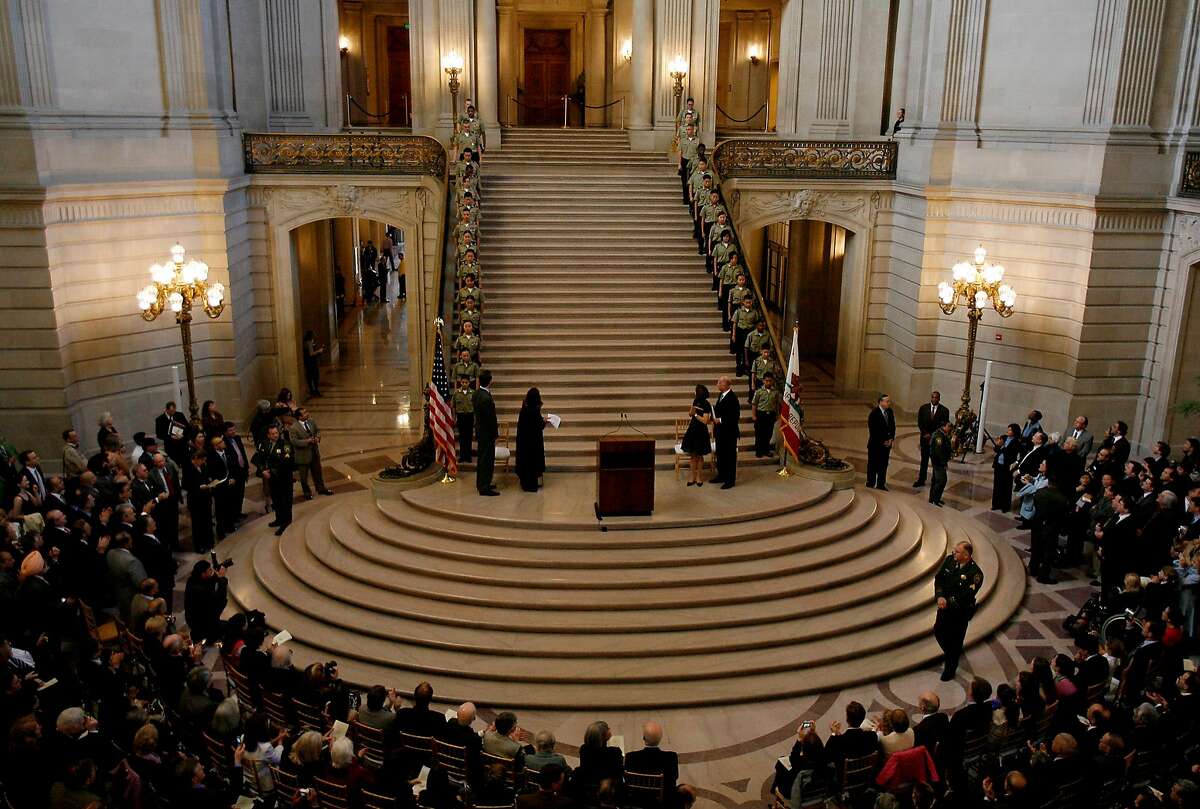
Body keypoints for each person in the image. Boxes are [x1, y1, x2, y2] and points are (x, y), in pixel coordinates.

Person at [934, 540, 983, 681]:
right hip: (944, 607)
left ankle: (950, 667)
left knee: (956, 640)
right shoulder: (950, 561)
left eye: (957, 552)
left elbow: (966, 595)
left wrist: (947, 602)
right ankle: (952, 655)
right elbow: (940, 578)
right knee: (938, 631)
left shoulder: (975, 574)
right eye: (954, 551)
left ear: (967, 555)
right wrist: (940, 596)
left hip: (960, 612)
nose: (953, 553)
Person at [257, 424, 295, 535]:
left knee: (285, 500)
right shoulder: (265, 444)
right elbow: (259, 458)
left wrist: (271, 471)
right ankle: (278, 518)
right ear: (268, 435)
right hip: (272, 479)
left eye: (276, 433)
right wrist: (262, 470)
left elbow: (286, 461)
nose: (275, 435)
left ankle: (286, 521)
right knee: (276, 499)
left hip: (284, 478)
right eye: (272, 434)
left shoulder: (285, 444)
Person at [289, 406, 333, 500]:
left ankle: (321, 488)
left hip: (314, 453)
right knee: (304, 477)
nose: (307, 413)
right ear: (299, 417)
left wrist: (317, 437)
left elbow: (317, 431)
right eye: (304, 413)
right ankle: (307, 493)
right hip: (303, 455)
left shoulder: (311, 421)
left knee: (317, 472)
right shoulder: (294, 428)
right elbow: (294, 442)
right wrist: (307, 441)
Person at [183, 560, 228, 646]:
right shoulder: (200, 590)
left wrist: (216, 576)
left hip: (196, 615)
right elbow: (218, 597)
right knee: (210, 630)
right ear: (203, 574)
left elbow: (208, 583)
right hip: (201, 619)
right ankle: (207, 641)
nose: (212, 571)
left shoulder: (192, 579)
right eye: (210, 570)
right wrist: (222, 578)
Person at [914, 391, 950, 487]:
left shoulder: (944, 411)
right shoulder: (923, 408)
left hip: (936, 441)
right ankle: (921, 480)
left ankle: (935, 481)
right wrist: (925, 433)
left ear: (939, 399)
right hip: (925, 439)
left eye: (936, 397)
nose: (934, 399)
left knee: (936, 461)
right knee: (924, 461)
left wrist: (934, 436)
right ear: (931, 398)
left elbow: (943, 425)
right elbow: (920, 422)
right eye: (933, 397)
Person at [515, 388, 548, 493]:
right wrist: (544, 421)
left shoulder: (524, 408)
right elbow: (538, 425)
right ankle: (531, 485)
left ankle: (524, 482)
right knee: (532, 463)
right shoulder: (534, 410)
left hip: (523, 442)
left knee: (525, 462)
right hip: (533, 443)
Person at [711, 376, 740, 490]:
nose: (717, 384)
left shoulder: (733, 398)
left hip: (729, 432)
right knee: (721, 454)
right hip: (720, 431)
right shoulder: (721, 395)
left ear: (726, 385)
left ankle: (730, 480)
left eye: (719, 383)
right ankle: (721, 475)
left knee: (729, 456)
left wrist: (721, 420)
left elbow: (735, 416)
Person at [681, 384, 713, 487]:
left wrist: (695, 414)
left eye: (695, 391)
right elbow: (691, 413)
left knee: (699, 455)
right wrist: (691, 413)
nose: (694, 392)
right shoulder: (695, 401)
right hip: (692, 430)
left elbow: (705, 420)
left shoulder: (707, 404)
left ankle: (699, 477)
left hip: (701, 432)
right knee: (692, 455)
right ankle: (692, 477)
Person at [474, 370, 499, 496]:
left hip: (481, 432)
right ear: (490, 381)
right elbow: (490, 419)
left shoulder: (478, 394)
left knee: (482, 459)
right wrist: (495, 434)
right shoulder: (486, 398)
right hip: (487, 434)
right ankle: (484, 487)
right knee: (487, 460)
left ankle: (482, 483)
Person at [866, 394, 896, 490]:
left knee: (883, 465)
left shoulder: (890, 412)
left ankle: (881, 484)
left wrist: (891, 439)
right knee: (873, 464)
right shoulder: (874, 414)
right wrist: (883, 441)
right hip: (875, 445)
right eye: (887, 401)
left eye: (889, 401)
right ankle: (870, 483)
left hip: (886, 445)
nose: (889, 403)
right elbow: (873, 431)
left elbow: (892, 426)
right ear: (880, 402)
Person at [990, 423, 1021, 512]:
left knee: (1006, 486)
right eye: (1008, 429)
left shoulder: (1016, 442)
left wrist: (1002, 447)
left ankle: (1005, 506)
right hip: (998, 465)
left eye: (1010, 430)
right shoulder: (1004, 437)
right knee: (997, 485)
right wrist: (998, 445)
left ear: (1014, 431)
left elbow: (1009, 453)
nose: (1008, 431)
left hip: (1007, 466)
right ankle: (996, 504)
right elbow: (996, 449)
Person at [751, 372, 780, 458]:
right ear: (763, 381)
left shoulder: (775, 392)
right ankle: (759, 450)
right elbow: (754, 404)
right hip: (761, 414)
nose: (768, 382)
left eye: (770, 381)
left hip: (770, 414)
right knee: (760, 433)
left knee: (768, 433)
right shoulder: (759, 392)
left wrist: (777, 415)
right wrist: (754, 415)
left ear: (772, 381)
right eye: (766, 381)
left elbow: (777, 404)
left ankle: (766, 450)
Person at [928, 420, 952, 507]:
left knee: (935, 480)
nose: (949, 428)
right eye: (948, 426)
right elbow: (939, 451)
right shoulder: (939, 436)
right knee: (941, 481)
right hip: (938, 462)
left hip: (938, 461)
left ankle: (933, 499)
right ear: (943, 426)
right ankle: (935, 499)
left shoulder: (942, 434)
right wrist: (944, 463)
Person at [453, 376, 475, 464]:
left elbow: (475, 406)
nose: (464, 384)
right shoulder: (456, 393)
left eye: (466, 382)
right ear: (460, 383)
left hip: (469, 416)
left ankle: (468, 456)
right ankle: (462, 456)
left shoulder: (473, 393)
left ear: (469, 383)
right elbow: (454, 406)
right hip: (461, 416)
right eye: (463, 382)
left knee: (469, 437)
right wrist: (454, 417)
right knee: (462, 437)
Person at [302, 331, 325, 397]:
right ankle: (315, 390)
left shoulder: (307, 342)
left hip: (308, 362)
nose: (315, 335)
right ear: (311, 335)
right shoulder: (309, 342)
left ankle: (312, 390)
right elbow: (311, 353)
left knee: (310, 376)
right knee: (315, 376)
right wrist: (319, 351)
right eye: (313, 334)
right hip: (311, 362)